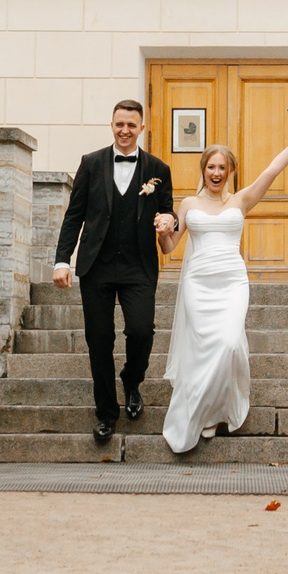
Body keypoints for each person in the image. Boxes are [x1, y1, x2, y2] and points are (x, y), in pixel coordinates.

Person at [160, 125, 288, 455]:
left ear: (230, 171)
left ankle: (218, 410)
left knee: (229, 344)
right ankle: (203, 413)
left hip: (231, 283)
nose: (216, 172)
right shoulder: (187, 204)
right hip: (198, 284)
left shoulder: (241, 200)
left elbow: (273, 169)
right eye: (211, 167)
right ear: (204, 170)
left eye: (222, 167)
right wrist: (161, 232)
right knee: (201, 350)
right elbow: (170, 247)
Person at [52, 100, 176, 443]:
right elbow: (74, 215)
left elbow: (168, 212)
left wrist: (170, 220)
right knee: (99, 339)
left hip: (139, 265)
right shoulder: (91, 164)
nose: (125, 131)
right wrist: (63, 260)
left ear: (141, 129)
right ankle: (106, 413)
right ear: (112, 125)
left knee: (140, 332)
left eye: (131, 125)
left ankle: (132, 379)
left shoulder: (158, 168)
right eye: (119, 124)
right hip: (97, 265)